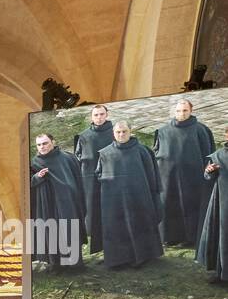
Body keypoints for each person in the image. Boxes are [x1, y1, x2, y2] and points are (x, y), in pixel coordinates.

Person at [95, 119, 162, 269]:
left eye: (124, 131)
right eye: (118, 132)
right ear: (113, 133)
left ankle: (142, 256)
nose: (121, 134)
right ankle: (118, 259)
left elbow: (152, 174)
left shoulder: (142, 151)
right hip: (115, 200)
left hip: (139, 197)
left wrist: (152, 194)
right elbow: (99, 174)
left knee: (139, 224)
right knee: (116, 227)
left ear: (131, 132)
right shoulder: (105, 153)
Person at [153, 97, 215, 247]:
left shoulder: (201, 130)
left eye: (185, 110)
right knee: (169, 204)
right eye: (179, 111)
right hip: (168, 177)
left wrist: (207, 174)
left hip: (192, 178)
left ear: (191, 110)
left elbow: (208, 155)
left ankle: (190, 238)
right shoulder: (162, 131)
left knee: (190, 206)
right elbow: (156, 154)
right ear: (174, 112)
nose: (182, 113)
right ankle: (169, 237)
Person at [29, 133, 86, 266]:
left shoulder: (68, 158)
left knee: (70, 229)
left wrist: (77, 197)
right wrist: (37, 176)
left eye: (45, 143)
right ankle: (55, 265)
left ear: (53, 142)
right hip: (47, 203)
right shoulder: (34, 162)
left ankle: (75, 264)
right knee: (52, 231)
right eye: (39, 144)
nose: (42, 147)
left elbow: (78, 178)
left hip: (68, 202)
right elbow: (28, 183)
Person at [74, 103, 114, 254]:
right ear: (91, 117)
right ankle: (97, 243)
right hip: (90, 179)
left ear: (107, 114)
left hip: (110, 175)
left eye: (101, 114)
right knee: (94, 209)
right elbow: (78, 158)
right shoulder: (84, 136)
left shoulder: (115, 132)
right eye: (96, 115)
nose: (99, 118)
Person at [196, 127, 228, 282]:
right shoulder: (218, 155)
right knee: (221, 235)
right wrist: (209, 171)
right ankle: (221, 274)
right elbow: (208, 176)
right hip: (222, 201)